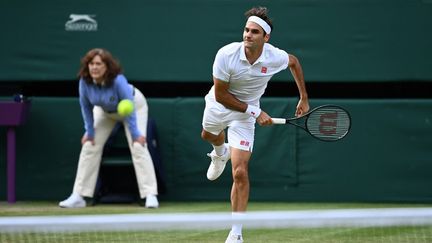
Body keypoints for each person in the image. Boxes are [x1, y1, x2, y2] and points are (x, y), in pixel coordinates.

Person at [201, 7, 309, 243]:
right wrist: (255, 111)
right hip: (220, 106)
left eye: (255, 32)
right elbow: (221, 95)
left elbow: (294, 62)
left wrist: (303, 97)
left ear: (265, 38)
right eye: (246, 30)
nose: (248, 35)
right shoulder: (225, 55)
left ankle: (236, 233)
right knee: (208, 135)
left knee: (240, 173)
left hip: (243, 117)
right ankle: (220, 153)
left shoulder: (274, 56)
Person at [59, 48, 159, 208]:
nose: (94, 67)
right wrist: (89, 132)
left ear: (107, 66)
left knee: (139, 146)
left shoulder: (118, 80)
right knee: (89, 145)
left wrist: (135, 134)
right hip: (105, 111)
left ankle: (150, 195)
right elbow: (85, 108)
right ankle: (79, 195)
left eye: (98, 63)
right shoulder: (84, 82)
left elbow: (130, 107)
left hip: (133, 107)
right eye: (91, 63)